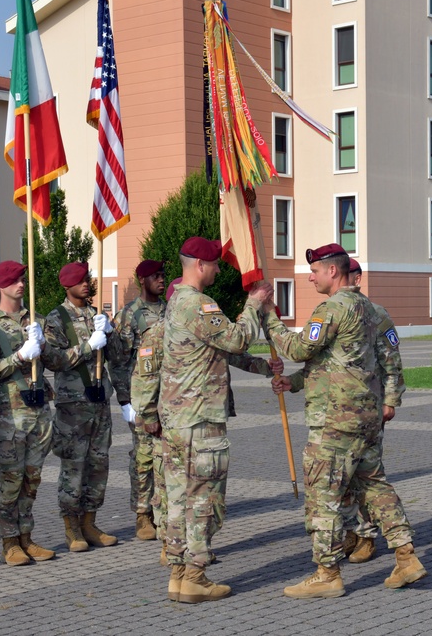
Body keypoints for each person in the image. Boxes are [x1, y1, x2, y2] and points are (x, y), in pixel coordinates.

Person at [265, 243, 426, 599]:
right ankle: (406, 556)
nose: (311, 277)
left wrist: (269, 318)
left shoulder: (333, 308)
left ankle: (327, 573)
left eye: (316, 271)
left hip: (337, 422)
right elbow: (329, 363)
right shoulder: (371, 309)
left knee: (323, 496)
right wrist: (292, 383)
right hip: (365, 418)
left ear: (333, 272)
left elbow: (298, 349)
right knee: (374, 486)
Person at [133, 277, 281, 567]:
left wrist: (265, 367)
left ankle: (187, 550)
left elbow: (230, 353)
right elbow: (145, 377)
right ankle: (172, 547)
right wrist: (148, 416)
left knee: (188, 492)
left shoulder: (196, 326)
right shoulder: (159, 333)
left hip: (191, 418)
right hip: (175, 421)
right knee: (171, 491)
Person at [160, 237, 273, 603]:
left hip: (178, 420)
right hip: (199, 421)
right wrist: (254, 304)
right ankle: (195, 575)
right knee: (204, 499)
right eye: (214, 265)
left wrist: (262, 367)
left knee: (178, 499)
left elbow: (218, 350)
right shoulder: (199, 304)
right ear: (199, 265)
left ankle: (178, 575)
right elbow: (237, 339)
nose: (217, 270)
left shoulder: (176, 301)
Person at [0, 260, 90, 567]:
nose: (20, 284)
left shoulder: (33, 318)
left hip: (38, 410)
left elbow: (52, 360)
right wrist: (19, 356)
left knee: (32, 479)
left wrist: (42, 345)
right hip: (9, 413)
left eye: (22, 278)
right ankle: (9, 541)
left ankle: (27, 536)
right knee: (10, 479)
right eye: (14, 280)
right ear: (0, 285)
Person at [44, 261, 123, 552]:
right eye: (79, 281)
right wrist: (90, 345)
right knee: (74, 466)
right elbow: (54, 359)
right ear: (67, 285)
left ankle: (90, 521)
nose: (86, 284)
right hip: (73, 405)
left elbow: (116, 356)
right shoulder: (57, 318)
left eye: (87, 279)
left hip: (99, 400)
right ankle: (71, 526)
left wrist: (110, 334)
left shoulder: (96, 315)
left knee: (99, 464)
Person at [336, 259, 405, 564]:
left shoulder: (377, 315)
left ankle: (366, 535)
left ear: (357, 278)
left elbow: (392, 362)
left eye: (346, 276)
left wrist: (391, 401)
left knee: (366, 474)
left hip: (370, 408)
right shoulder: (337, 313)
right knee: (341, 476)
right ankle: (350, 528)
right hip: (339, 411)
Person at [111, 259, 166, 541]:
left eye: (163, 275)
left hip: (169, 397)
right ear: (142, 280)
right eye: (155, 276)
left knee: (166, 459)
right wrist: (124, 401)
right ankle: (142, 515)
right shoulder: (130, 315)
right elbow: (118, 362)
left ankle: (163, 513)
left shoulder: (172, 310)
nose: (161, 279)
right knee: (143, 458)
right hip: (142, 398)